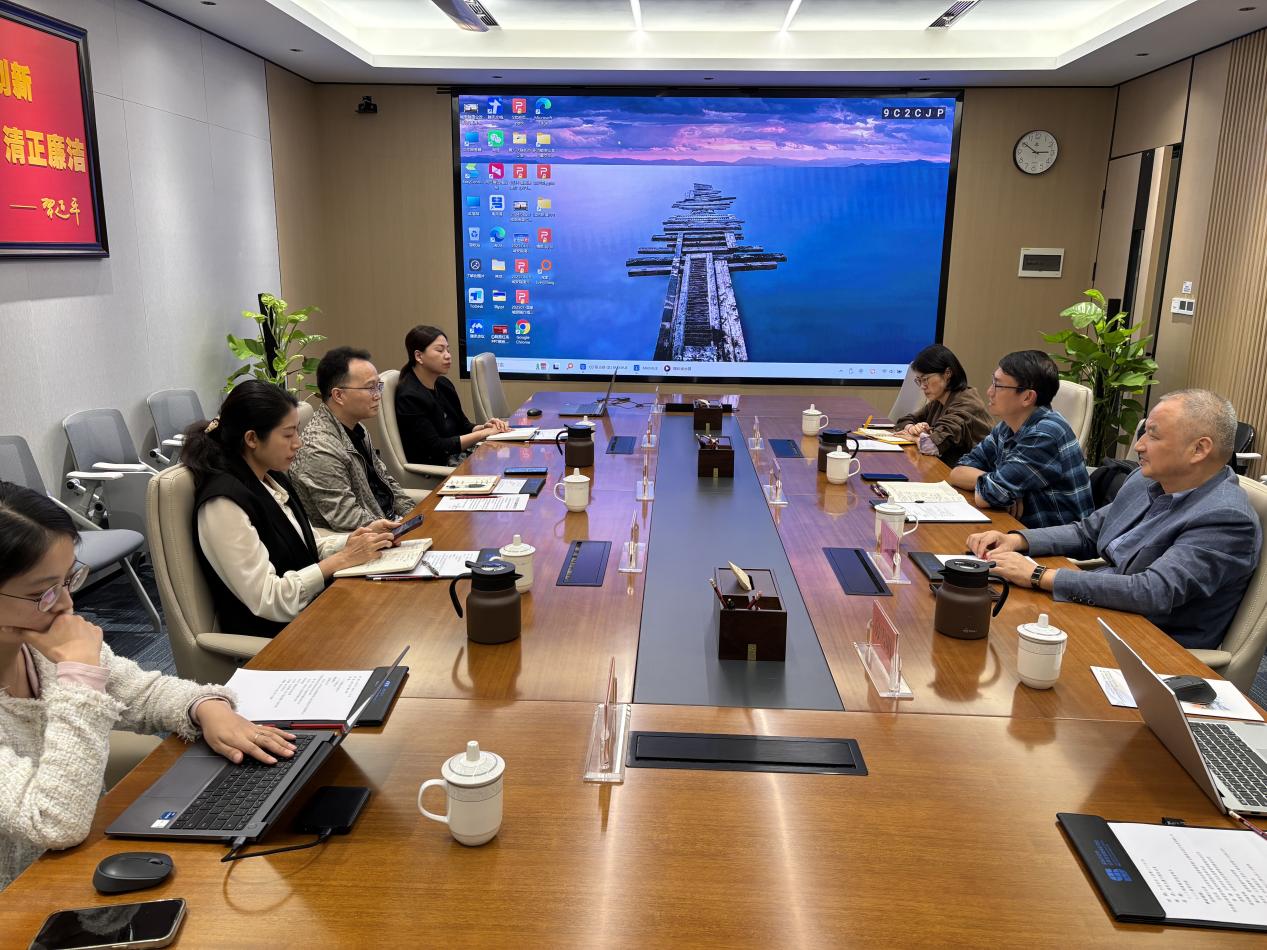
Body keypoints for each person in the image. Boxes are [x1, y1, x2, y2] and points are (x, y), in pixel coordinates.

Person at [0, 481, 298, 890]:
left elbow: (142, 693)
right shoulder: (64, 654)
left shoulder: (40, 648)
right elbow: (54, 822)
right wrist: (80, 677)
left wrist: (207, 706)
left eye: (70, 580)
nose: (67, 605)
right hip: (18, 894)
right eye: (43, 593)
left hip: (70, 869)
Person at [967, 390, 1262, 650]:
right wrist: (1017, 540)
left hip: (1148, 643)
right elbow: (1088, 532)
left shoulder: (1225, 518)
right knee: (978, 614)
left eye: (1153, 435)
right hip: (1101, 611)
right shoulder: (1147, 480)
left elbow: (1152, 591)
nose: (1139, 446)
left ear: (1199, 449)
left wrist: (1038, 575)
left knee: (998, 640)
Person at [185, 379, 397, 638]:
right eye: (288, 435)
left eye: (297, 431)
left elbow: (303, 545)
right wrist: (341, 560)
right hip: (278, 638)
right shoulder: (223, 503)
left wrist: (356, 541)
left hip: (314, 612)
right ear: (252, 438)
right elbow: (269, 599)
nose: (298, 443)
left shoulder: (271, 476)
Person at [948, 350, 1093, 529]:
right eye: (993, 382)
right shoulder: (1007, 426)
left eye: (998, 385)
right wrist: (996, 484)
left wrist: (996, 487)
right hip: (1020, 530)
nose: (989, 392)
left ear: (1027, 397)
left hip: (1054, 542)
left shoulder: (1045, 435)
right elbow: (958, 471)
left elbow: (986, 496)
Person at [289, 347, 416, 533]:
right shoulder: (319, 448)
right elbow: (346, 518)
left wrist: (413, 515)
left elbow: (385, 480)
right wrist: (397, 529)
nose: (377, 395)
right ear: (338, 395)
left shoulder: (356, 427)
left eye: (378, 386)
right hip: (366, 538)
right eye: (370, 387)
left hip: (389, 523)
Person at [395, 325, 509, 468]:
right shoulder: (409, 396)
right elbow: (436, 447)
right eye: (440, 350)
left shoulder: (443, 384)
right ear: (419, 356)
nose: (448, 355)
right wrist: (484, 433)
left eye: (448, 350)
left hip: (458, 457)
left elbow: (463, 426)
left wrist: (484, 427)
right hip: (437, 468)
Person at [893, 344, 992, 463]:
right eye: (919, 380)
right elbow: (904, 420)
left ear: (947, 373)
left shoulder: (966, 404)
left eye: (925, 379)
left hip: (975, 470)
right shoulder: (939, 401)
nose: (922, 386)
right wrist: (912, 428)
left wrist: (914, 438)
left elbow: (930, 446)